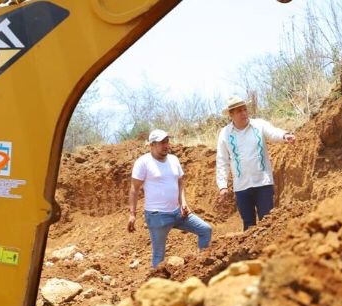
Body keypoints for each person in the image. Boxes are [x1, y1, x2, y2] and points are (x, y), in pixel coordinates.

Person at [127, 129, 212, 267]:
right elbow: (134, 189)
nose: (166, 145)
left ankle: (202, 267)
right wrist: (132, 214)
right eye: (162, 142)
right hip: (157, 216)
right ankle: (157, 285)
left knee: (205, 230)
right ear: (152, 145)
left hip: (178, 212)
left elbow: (180, 182)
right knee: (159, 255)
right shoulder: (143, 162)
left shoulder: (174, 159)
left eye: (167, 141)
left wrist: (183, 203)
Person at [216, 95, 296, 230]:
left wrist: (284, 135)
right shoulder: (224, 134)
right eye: (239, 111)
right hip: (241, 187)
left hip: (263, 183)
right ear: (231, 114)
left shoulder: (259, 125)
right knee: (249, 226)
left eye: (244, 109)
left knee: (268, 222)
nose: (243, 113)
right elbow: (222, 161)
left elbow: (273, 132)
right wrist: (222, 185)